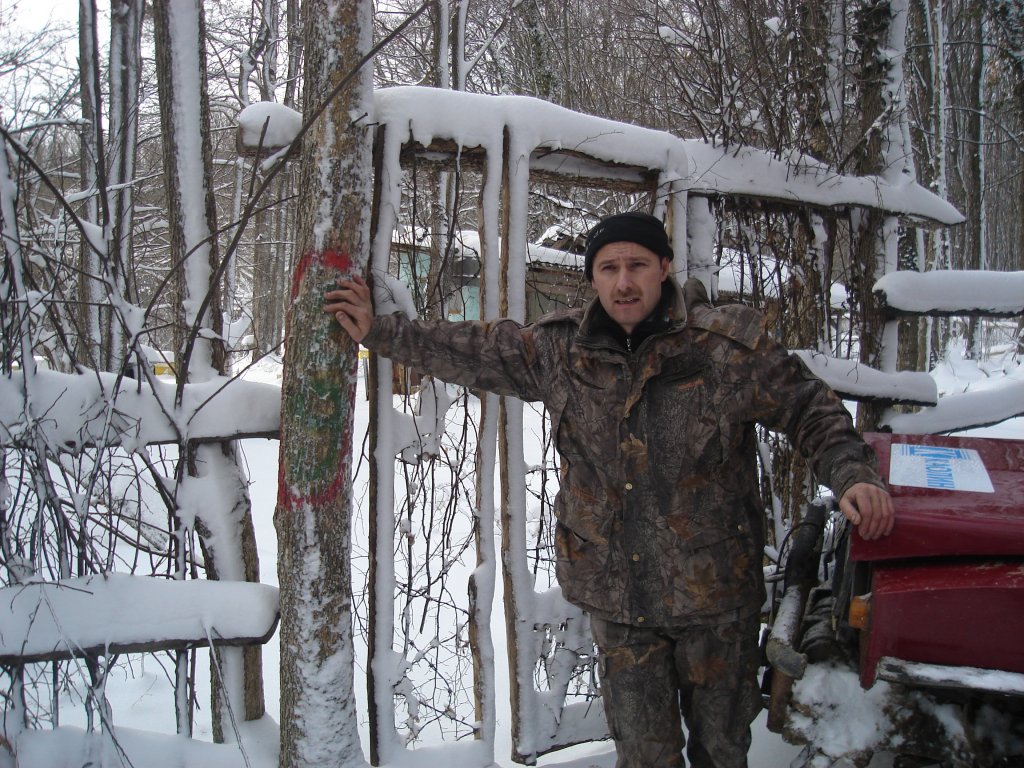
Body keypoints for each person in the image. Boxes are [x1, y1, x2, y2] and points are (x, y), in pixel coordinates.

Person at [324, 211, 894, 768]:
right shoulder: (562, 351)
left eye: (637, 265)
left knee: (722, 753)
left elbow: (808, 407)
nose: (624, 282)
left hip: (715, 600)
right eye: (609, 268)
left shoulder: (724, 348)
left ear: (664, 267)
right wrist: (380, 331)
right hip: (621, 603)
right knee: (644, 758)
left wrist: (851, 472)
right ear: (593, 277)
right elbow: (475, 348)